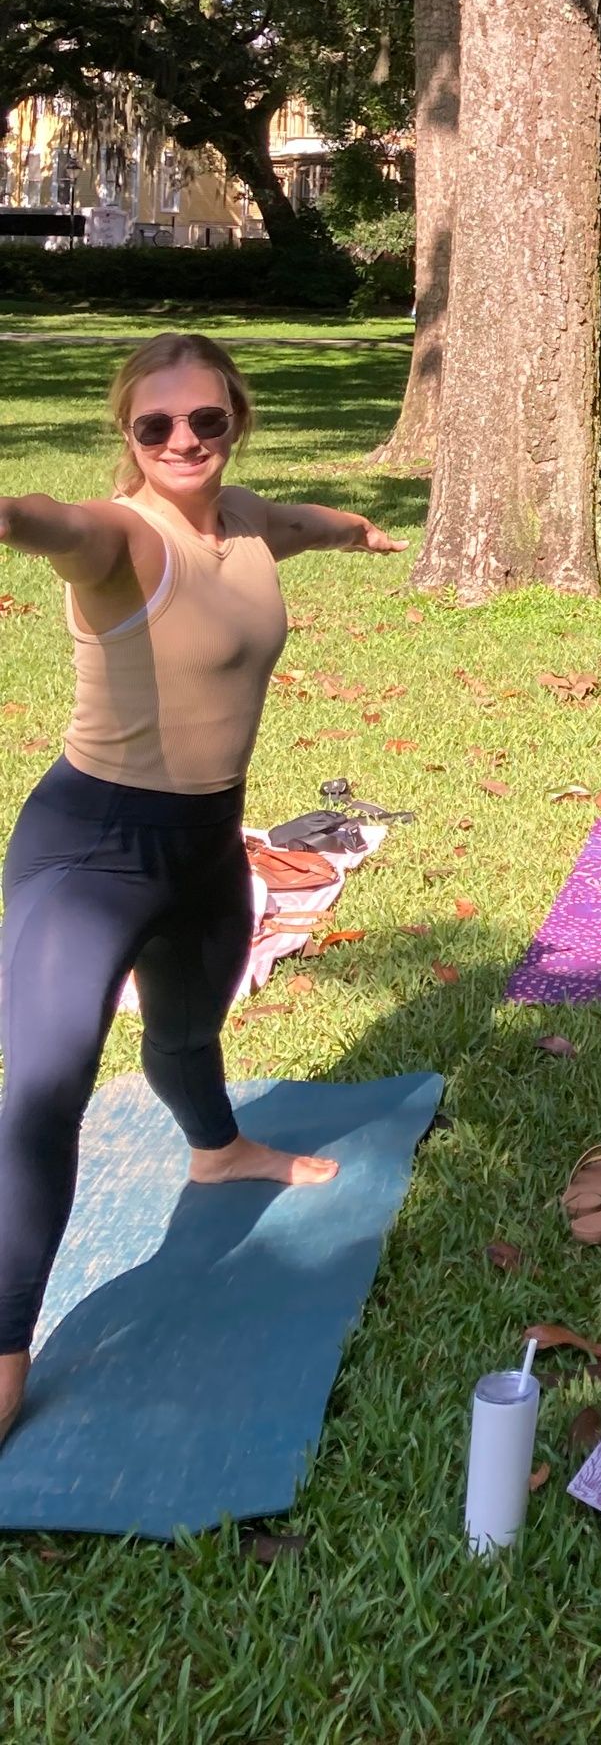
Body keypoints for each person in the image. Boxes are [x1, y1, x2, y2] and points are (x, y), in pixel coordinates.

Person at [0, 332, 403, 1450]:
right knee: (43, 1094)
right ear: (128, 438)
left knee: (186, 1033)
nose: (183, 441)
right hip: (89, 850)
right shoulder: (123, 537)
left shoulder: (247, 521)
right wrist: (10, 515)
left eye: (206, 422)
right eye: (156, 427)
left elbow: (298, 526)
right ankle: (3, 1352)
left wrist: (357, 529)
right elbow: (55, 523)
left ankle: (218, 1149)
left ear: (236, 425)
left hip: (207, 845)